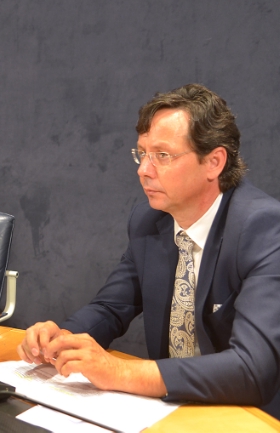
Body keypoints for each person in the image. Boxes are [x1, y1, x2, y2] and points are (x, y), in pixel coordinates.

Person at [17, 84, 280, 418]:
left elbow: (253, 369)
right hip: (168, 410)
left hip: (246, 416)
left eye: (162, 155)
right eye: (142, 153)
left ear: (214, 162)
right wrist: (63, 340)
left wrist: (120, 372)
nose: (143, 169)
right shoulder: (150, 220)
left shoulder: (263, 229)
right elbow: (112, 307)